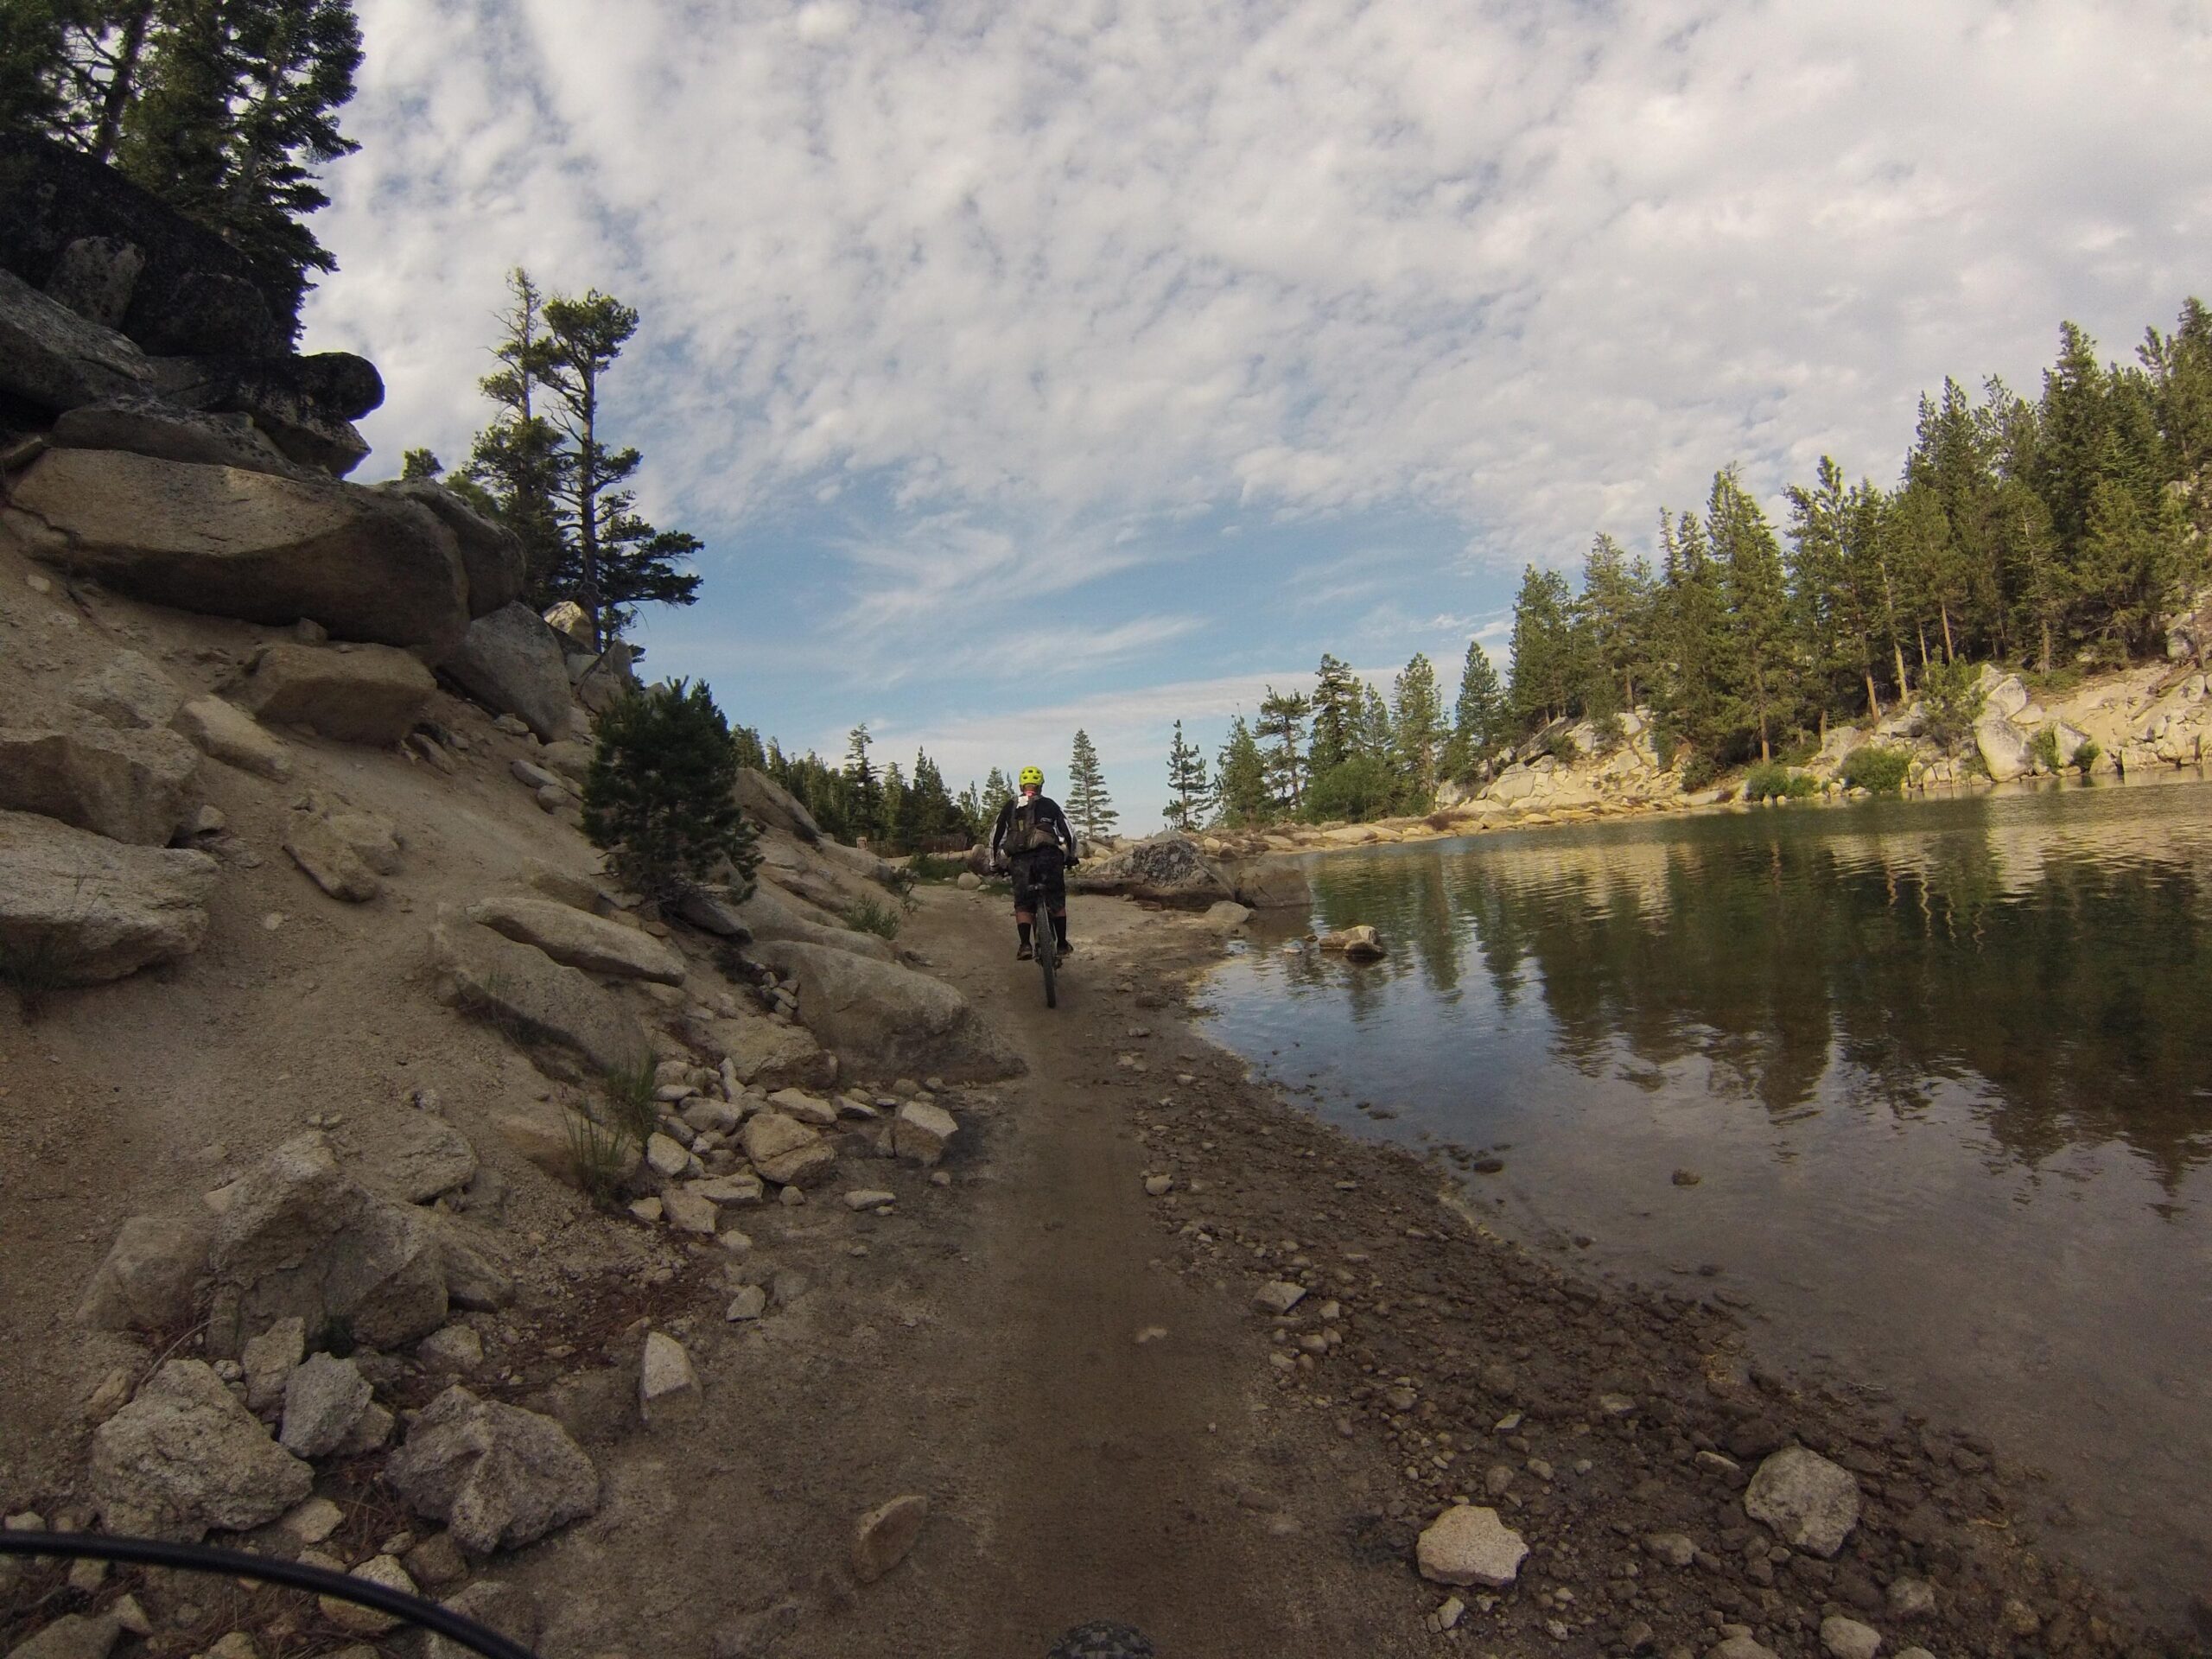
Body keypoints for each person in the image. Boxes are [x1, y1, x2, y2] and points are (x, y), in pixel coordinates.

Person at [989, 765, 1077, 961]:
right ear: (1041, 786)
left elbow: (996, 837)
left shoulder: (1010, 806)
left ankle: (1024, 945)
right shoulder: (1050, 805)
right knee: (1056, 899)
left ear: (1022, 786)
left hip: (1020, 860)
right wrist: (1071, 856)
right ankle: (1062, 944)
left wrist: (995, 863)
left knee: (1023, 903)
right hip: (1049, 857)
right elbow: (1069, 833)